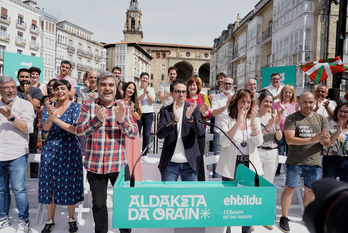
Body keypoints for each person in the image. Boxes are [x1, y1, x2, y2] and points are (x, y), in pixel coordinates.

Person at [76, 71, 137, 233]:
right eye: (103, 84)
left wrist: (121, 121)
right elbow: (80, 131)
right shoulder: (88, 106)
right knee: (99, 205)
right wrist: (97, 120)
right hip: (95, 166)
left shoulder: (123, 107)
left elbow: (133, 134)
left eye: (111, 85)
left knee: (123, 204)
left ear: (116, 88)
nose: (107, 88)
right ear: (97, 87)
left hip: (119, 166)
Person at [279, 92, 330, 232]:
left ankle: (306, 216)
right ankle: (284, 217)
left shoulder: (321, 119)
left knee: (310, 191)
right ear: (299, 103)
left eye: (311, 102)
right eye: (305, 102)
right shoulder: (292, 118)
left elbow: (326, 142)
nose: (308, 105)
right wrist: (313, 139)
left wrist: (324, 139)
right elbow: (289, 140)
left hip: (314, 162)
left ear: (314, 102)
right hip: (295, 161)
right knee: (289, 189)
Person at [216, 88, 263, 233]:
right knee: (229, 201)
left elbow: (259, 141)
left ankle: (246, 231)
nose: (246, 105)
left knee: (247, 203)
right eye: (243, 101)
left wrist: (253, 121)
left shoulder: (254, 120)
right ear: (236, 103)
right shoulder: (226, 119)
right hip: (231, 166)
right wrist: (238, 123)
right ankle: (228, 230)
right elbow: (224, 142)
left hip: (249, 165)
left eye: (249, 101)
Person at [39, 79, 83, 233]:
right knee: (49, 183)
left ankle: (71, 218)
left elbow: (75, 130)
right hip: (50, 147)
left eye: (63, 88)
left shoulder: (76, 107)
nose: (59, 91)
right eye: (56, 89)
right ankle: (50, 220)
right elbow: (44, 129)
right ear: (53, 91)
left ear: (69, 90)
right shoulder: (48, 107)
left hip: (70, 148)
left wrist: (56, 118)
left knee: (70, 182)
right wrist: (51, 117)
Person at [0, 75, 35, 233]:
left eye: (12, 87)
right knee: (1, 190)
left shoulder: (25, 105)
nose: (10, 90)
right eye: (6, 88)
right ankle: (3, 217)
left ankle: (24, 220)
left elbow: (29, 128)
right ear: (0, 90)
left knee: (19, 189)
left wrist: (11, 117)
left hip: (17, 154)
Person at [157, 80, 205, 181]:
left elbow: (201, 132)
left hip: (190, 163)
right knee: (168, 195)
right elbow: (160, 134)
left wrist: (190, 119)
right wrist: (174, 121)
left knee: (191, 196)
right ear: (171, 93)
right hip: (170, 163)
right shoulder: (165, 110)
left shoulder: (193, 108)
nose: (181, 94)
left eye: (183, 91)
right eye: (178, 91)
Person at [186, 76, 211, 181]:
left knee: (200, 155)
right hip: (187, 131)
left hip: (200, 130)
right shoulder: (184, 97)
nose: (192, 87)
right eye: (190, 85)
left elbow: (209, 112)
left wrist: (205, 113)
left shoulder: (203, 97)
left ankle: (201, 179)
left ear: (198, 86)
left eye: (194, 85)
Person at [256, 90, 282, 183]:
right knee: (255, 181)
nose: (268, 104)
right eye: (266, 101)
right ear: (259, 101)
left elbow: (279, 138)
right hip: (258, 152)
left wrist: (277, 126)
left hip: (272, 153)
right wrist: (268, 127)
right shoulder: (253, 117)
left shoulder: (273, 116)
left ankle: (265, 198)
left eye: (271, 102)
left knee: (268, 182)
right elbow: (256, 137)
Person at [211, 77, 234, 178]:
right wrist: (226, 106)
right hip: (219, 132)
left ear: (232, 86)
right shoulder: (216, 97)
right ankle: (216, 179)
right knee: (218, 157)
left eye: (230, 84)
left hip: (232, 132)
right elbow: (213, 112)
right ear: (222, 85)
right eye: (226, 83)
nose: (227, 86)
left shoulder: (235, 97)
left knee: (231, 157)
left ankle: (228, 178)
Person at [272, 84, 297, 175]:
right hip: (280, 133)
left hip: (290, 133)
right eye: (285, 92)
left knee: (290, 153)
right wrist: (281, 110)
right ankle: (277, 171)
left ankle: (289, 171)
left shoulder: (294, 105)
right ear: (282, 93)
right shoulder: (275, 104)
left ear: (292, 94)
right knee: (280, 152)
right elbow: (275, 118)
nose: (287, 94)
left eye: (290, 92)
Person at [322, 102, 348, 183]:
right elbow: (327, 143)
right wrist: (338, 131)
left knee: (345, 190)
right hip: (331, 161)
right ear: (336, 112)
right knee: (328, 189)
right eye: (340, 111)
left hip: (347, 161)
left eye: (346, 112)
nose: (342, 114)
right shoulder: (328, 125)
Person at [122, 81, 142, 181]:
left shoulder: (137, 102)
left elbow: (138, 117)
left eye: (133, 89)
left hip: (133, 130)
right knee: (124, 153)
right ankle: (124, 178)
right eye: (129, 88)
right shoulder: (119, 101)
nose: (131, 90)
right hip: (122, 129)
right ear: (125, 89)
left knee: (133, 154)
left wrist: (132, 110)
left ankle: (135, 178)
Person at [137, 72, 155, 159]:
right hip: (138, 114)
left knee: (147, 135)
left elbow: (152, 100)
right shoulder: (136, 89)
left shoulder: (151, 89)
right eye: (143, 78)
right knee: (136, 134)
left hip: (148, 114)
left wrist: (147, 91)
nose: (145, 80)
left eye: (146, 78)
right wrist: (143, 93)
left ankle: (145, 153)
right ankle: (136, 152)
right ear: (140, 79)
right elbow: (136, 100)